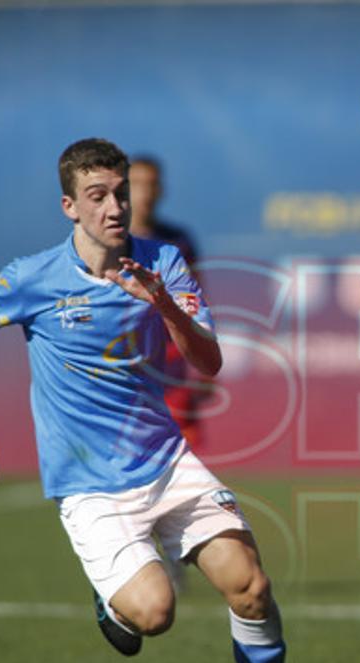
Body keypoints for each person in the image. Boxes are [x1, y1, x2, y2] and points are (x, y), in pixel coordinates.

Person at [0, 138, 309, 663]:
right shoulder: (32, 277)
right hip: (89, 487)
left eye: (121, 192)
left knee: (250, 585)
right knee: (154, 614)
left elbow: (208, 361)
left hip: (167, 463)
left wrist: (161, 303)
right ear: (69, 207)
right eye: (97, 196)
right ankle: (114, 602)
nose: (114, 207)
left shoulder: (162, 261)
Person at [128, 154, 213, 450]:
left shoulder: (178, 241)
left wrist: (204, 362)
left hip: (171, 363)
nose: (145, 193)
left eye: (151, 185)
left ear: (161, 190)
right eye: (137, 184)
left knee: (183, 454)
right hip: (125, 362)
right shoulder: (107, 242)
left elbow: (197, 301)